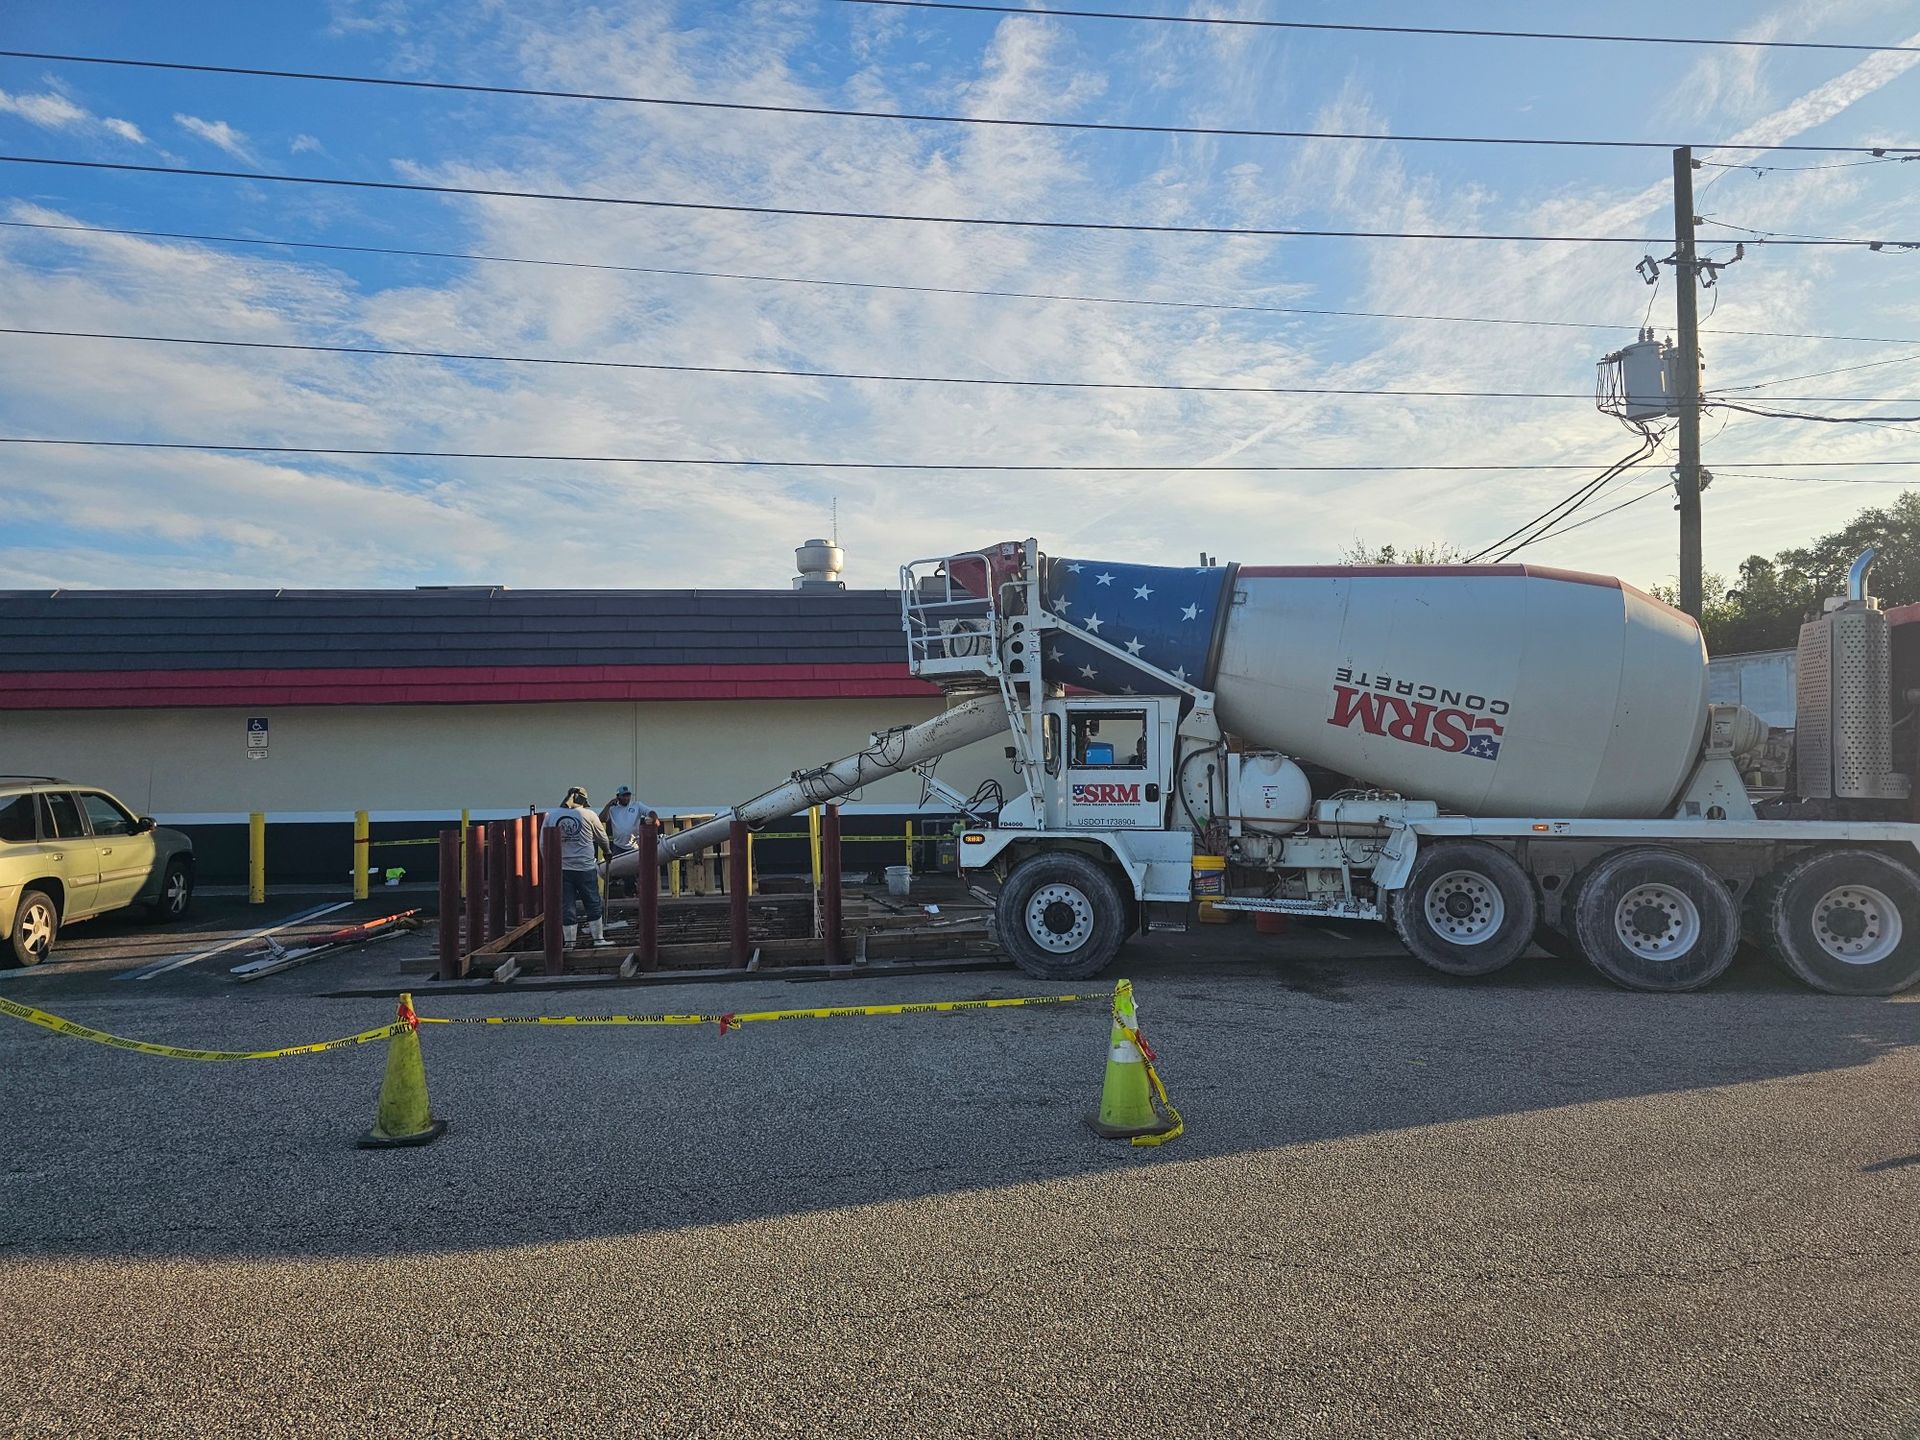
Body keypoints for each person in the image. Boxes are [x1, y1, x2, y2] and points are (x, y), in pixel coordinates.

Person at [543, 785, 612, 947]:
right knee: (592, 902)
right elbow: (602, 837)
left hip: (562, 869)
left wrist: (548, 864)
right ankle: (598, 939)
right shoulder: (589, 814)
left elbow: (542, 843)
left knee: (567, 905)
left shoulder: (551, 817)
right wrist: (607, 851)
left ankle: (570, 943)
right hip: (585, 867)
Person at [600, 785, 656, 850]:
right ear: (618, 797)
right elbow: (602, 819)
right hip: (618, 846)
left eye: (628, 795)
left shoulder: (636, 805)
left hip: (635, 846)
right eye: (623, 796)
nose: (626, 798)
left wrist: (653, 818)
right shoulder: (612, 808)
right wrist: (608, 805)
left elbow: (650, 812)